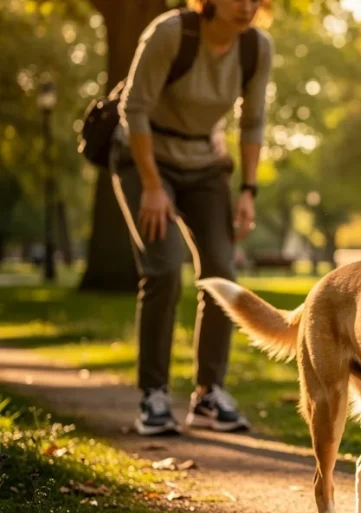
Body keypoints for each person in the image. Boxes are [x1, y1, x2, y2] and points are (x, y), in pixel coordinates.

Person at [111, 0, 273, 436]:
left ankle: (209, 394)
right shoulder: (170, 33)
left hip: (205, 163)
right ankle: (153, 396)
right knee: (163, 268)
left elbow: (253, 122)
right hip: (144, 158)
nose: (246, 6)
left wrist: (248, 192)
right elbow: (134, 108)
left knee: (222, 270)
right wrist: (150, 185)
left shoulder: (256, 48)